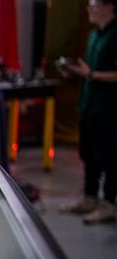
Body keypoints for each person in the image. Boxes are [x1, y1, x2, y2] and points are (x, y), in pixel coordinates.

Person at [60, 0, 117, 224]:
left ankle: (109, 203)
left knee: (110, 158)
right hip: (89, 106)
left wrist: (92, 74)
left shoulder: (115, 35)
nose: (89, 9)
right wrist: (76, 71)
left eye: (93, 4)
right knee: (89, 155)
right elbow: (90, 71)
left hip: (109, 110)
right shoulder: (94, 35)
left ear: (108, 6)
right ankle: (90, 198)